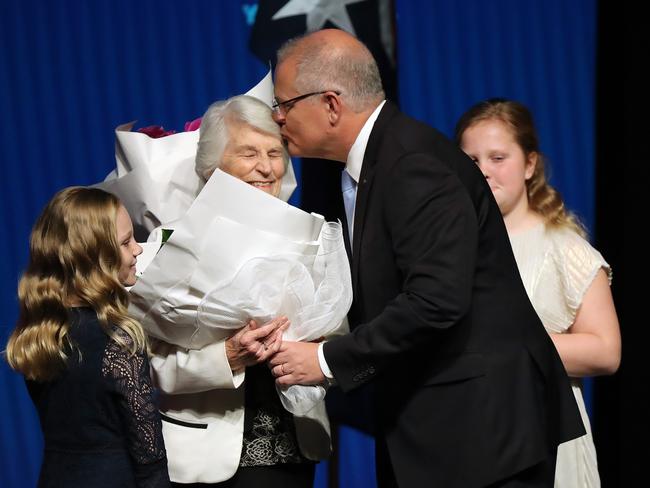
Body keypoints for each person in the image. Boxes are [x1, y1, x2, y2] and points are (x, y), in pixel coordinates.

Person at [267, 29, 585, 487]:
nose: (278, 118)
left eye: (285, 104)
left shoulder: (412, 163)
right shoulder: (369, 165)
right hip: (434, 427)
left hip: (483, 432)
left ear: (331, 104)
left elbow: (436, 299)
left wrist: (327, 360)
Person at [148, 94, 333, 487]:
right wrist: (227, 357)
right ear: (212, 166)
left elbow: (341, 343)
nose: (266, 168)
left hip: (295, 450)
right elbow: (147, 366)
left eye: (274, 152)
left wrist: (315, 348)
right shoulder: (166, 245)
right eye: (249, 154)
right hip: (207, 459)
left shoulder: (313, 237)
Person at [455, 98, 621, 488]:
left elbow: (605, 351)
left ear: (529, 164)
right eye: (472, 160)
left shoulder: (564, 249)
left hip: (545, 435)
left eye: (498, 158)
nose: (484, 172)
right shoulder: (449, 250)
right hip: (468, 435)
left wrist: (505, 347)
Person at [4, 187, 170, 487]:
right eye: (125, 242)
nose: (138, 249)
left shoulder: (41, 334)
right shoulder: (119, 341)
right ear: (95, 257)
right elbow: (149, 456)